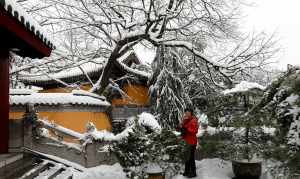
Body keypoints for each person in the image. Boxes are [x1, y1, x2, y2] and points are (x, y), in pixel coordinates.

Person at [179, 108, 199, 178]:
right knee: (186, 157)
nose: (186, 113)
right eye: (186, 112)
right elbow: (182, 128)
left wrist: (186, 129)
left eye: (188, 112)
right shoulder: (185, 120)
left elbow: (195, 130)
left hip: (192, 142)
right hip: (186, 141)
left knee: (191, 157)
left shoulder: (194, 120)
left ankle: (193, 172)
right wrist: (181, 128)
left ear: (191, 113)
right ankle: (186, 171)